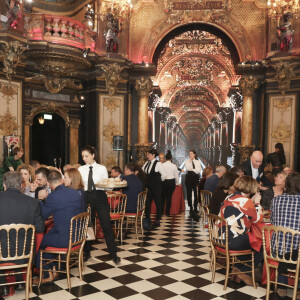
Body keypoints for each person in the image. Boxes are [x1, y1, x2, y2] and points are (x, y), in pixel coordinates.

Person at [0, 171, 44, 295]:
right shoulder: (33, 202)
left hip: (1, 254)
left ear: (4, 185)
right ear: (21, 185)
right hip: (25, 254)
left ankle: (3, 284)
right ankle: (20, 280)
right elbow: (40, 229)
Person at [36, 170, 83, 284]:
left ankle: (47, 275)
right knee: (49, 236)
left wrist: (41, 199)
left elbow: (43, 215)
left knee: (39, 242)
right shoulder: (76, 192)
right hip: (78, 236)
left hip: (66, 238)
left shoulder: (53, 197)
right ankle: (54, 269)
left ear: (48, 183)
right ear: (62, 180)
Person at [78, 146, 120, 264]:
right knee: (88, 227)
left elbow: (107, 185)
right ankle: (86, 252)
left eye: (86, 156)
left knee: (106, 226)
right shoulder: (81, 169)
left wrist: (109, 184)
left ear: (93, 155)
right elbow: (80, 185)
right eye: (83, 157)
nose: (84, 158)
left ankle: (114, 254)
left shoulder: (102, 168)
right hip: (86, 198)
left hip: (100, 197)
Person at [219, 175, 263, 285]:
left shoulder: (229, 197)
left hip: (220, 237)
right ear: (251, 188)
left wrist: (251, 202)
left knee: (249, 240)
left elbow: (241, 209)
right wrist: (257, 203)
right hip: (232, 240)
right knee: (262, 244)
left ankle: (237, 268)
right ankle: (244, 273)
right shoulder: (246, 202)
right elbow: (257, 219)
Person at [270, 172, 300, 297]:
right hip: (296, 254)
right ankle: (298, 288)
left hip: (276, 250)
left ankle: (281, 285)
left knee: (286, 244)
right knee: (295, 246)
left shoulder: (276, 200)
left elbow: (271, 221)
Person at [142, 148, 166, 227]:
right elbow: (143, 172)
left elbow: (164, 175)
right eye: (147, 154)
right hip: (148, 187)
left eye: (148, 154)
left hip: (156, 187)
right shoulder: (146, 163)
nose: (147, 156)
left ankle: (158, 220)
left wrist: (158, 182)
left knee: (158, 203)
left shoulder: (158, 164)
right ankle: (147, 218)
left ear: (153, 155)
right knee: (147, 203)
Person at [185, 150, 201, 220]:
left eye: (191, 154)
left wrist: (192, 169)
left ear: (194, 154)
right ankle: (190, 208)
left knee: (195, 192)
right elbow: (188, 168)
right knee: (189, 193)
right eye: (189, 154)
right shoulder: (187, 162)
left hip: (195, 178)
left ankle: (195, 208)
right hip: (188, 177)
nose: (190, 155)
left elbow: (198, 170)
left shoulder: (198, 162)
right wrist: (192, 167)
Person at [162, 150, 180, 216]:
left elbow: (161, 174)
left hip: (164, 182)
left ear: (165, 158)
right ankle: (167, 213)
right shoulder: (174, 166)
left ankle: (161, 212)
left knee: (163, 198)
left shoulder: (162, 165)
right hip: (171, 182)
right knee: (169, 198)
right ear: (171, 159)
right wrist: (177, 183)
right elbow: (176, 176)